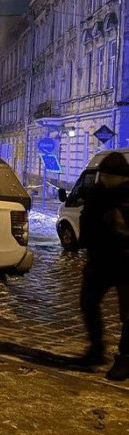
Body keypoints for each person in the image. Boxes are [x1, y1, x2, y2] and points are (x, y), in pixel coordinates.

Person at [77, 152, 129, 381]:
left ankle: (125, 357)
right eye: (104, 176)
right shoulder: (97, 193)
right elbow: (87, 222)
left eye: (110, 176)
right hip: (100, 260)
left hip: (126, 262)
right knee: (88, 301)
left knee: (128, 314)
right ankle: (96, 348)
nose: (106, 180)